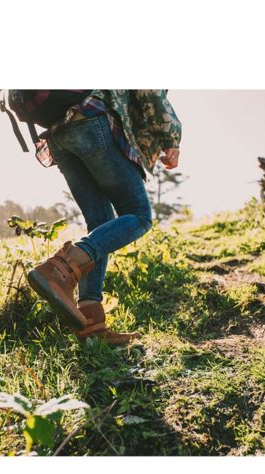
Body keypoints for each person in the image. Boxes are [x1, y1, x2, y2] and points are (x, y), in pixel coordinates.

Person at [25, 90, 182, 345]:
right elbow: (149, 90)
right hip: (90, 120)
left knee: (100, 224)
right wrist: (170, 139)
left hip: (57, 135)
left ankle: (91, 325)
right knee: (139, 215)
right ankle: (60, 269)